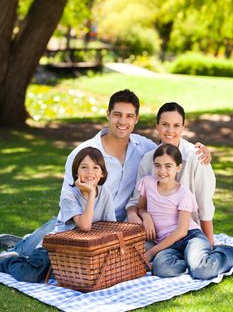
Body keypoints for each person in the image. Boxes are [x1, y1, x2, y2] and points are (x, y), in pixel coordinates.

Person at [0, 92, 210, 257]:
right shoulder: (84, 154)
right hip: (85, 224)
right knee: (42, 258)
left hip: (122, 227)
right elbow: (69, 200)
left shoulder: (144, 148)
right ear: (108, 114)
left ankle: (19, 241)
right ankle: (18, 248)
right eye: (117, 114)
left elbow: (169, 150)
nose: (122, 121)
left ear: (136, 119)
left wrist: (202, 151)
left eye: (129, 116)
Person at [0, 147, 116, 282]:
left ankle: (29, 254)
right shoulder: (69, 195)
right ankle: (9, 260)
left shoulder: (105, 192)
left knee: (72, 277)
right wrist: (91, 193)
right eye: (84, 167)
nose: (90, 172)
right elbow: (85, 226)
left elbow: (111, 226)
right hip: (53, 248)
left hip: (80, 251)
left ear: (102, 173)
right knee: (29, 275)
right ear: (76, 172)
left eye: (96, 167)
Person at [137, 144, 233, 279]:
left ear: (178, 167)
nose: (162, 170)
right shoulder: (147, 183)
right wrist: (145, 215)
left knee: (202, 270)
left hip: (190, 237)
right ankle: (191, 259)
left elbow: (182, 231)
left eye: (168, 166)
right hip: (167, 244)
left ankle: (226, 252)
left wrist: (152, 252)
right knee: (162, 269)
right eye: (157, 165)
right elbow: (140, 207)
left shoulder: (183, 194)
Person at [126, 102, 215, 245]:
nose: (170, 130)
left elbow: (205, 206)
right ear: (157, 126)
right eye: (165, 124)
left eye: (176, 125)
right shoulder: (148, 159)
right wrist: (136, 214)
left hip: (187, 232)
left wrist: (210, 244)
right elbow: (136, 202)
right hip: (156, 234)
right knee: (134, 257)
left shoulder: (197, 157)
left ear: (183, 127)